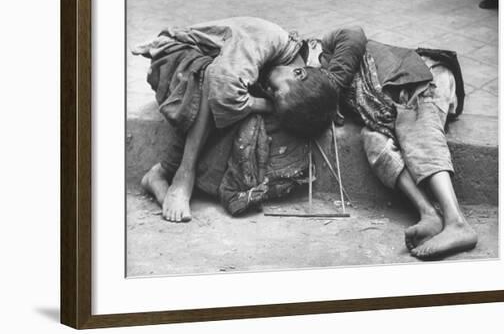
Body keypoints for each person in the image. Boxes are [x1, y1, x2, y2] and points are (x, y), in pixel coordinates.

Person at [266, 26, 478, 260]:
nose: (269, 91)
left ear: (299, 73)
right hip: (386, 111)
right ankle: (429, 213)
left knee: (417, 129)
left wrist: (332, 85)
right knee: (373, 140)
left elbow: (354, 33)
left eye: (274, 91)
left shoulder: (320, 49)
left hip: (422, 78)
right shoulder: (309, 94)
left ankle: (457, 222)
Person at [133, 17, 337, 222]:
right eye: (276, 91)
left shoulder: (290, 72)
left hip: (201, 78)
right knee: (214, 83)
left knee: (242, 111)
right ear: (299, 73)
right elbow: (222, 84)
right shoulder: (268, 40)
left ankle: (159, 173)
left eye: (273, 95)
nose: (269, 92)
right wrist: (266, 105)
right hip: (173, 59)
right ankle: (183, 176)